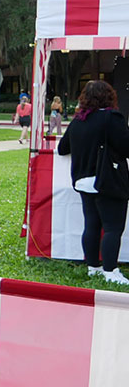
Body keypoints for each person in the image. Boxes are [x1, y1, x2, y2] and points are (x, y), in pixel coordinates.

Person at [58, 80, 129, 286]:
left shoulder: (78, 121)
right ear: (109, 96)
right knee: (113, 228)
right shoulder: (112, 118)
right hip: (108, 180)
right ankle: (110, 271)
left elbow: (63, 148)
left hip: (83, 181)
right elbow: (126, 147)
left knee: (91, 225)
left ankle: (93, 267)